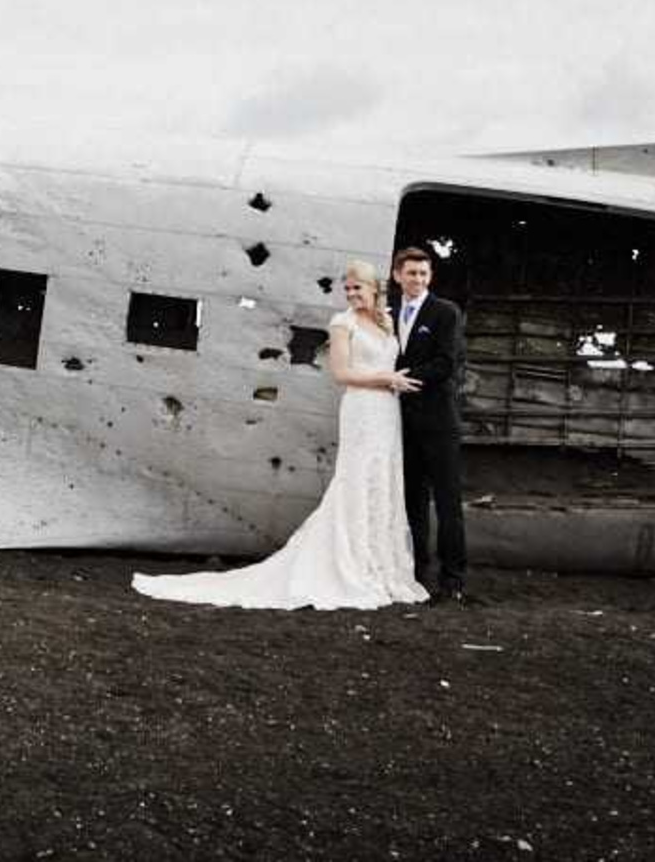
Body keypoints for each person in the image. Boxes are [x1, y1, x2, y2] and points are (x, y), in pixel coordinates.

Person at [132, 260, 429, 610]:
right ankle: (350, 563)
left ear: (373, 288)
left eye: (357, 288)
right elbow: (342, 373)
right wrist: (386, 379)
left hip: (386, 412)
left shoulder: (385, 321)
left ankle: (380, 567)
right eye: (347, 289)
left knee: (382, 478)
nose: (351, 294)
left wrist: (392, 382)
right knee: (357, 478)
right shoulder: (342, 323)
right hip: (362, 407)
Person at [392, 245, 469, 602]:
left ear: (430, 277)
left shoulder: (445, 312)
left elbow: (445, 363)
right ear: (398, 276)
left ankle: (452, 579)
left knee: (448, 503)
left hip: (439, 421)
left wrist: (399, 379)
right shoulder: (388, 312)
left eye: (424, 274)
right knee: (412, 501)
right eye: (412, 273)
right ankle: (417, 574)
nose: (418, 279)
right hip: (402, 424)